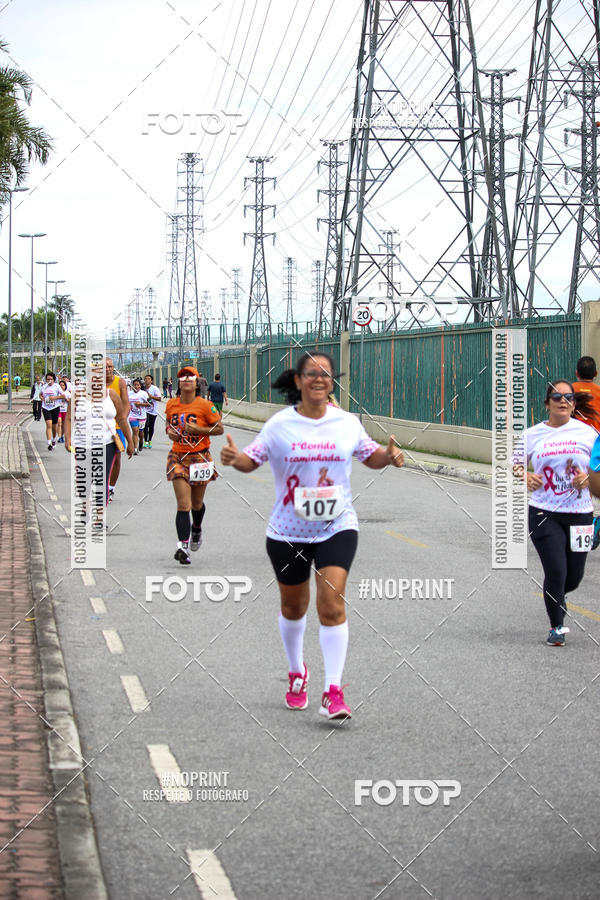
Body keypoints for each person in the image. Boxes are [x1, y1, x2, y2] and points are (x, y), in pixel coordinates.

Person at [220, 352, 404, 720]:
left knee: (332, 604)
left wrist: (389, 454)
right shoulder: (278, 425)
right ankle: (296, 672)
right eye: (311, 374)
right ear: (299, 381)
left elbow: (370, 456)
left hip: (336, 525)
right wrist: (233, 458)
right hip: (287, 530)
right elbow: (251, 460)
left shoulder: (347, 423)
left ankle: (332, 691)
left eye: (326, 374)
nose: (319, 379)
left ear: (332, 381)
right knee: (294, 607)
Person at [512, 380, 597, 646]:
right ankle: (556, 627)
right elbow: (515, 465)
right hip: (544, 512)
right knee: (557, 571)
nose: (563, 401)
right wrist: (525, 475)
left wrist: (588, 479)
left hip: (580, 513)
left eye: (568, 398)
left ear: (573, 404)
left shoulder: (589, 434)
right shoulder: (531, 435)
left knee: (574, 577)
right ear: (547, 403)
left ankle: (558, 596)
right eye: (557, 397)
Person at [165, 366, 223, 565]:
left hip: (199, 457)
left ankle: (196, 528)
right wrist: (170, 432)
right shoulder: (171, 404)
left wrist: (198, 429)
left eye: (191, 377)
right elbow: (169, 425)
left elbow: (219, 429)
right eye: (182, 377)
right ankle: (182, 546)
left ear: (197, 382)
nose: (186, 379)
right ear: (179, 383)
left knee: (196, 505)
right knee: (183, 504)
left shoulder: (206, 406)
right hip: (178, 457)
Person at [64, 371, 134, 504]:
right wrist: (67, 439)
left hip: (107, 443)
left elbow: (121, 418)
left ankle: (99, 519)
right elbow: (68, 418)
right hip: (83, 444)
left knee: (102, 479)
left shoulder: (111, 395)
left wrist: (130, 442)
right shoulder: (78, 395)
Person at [106, 358, 131, 500]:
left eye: (110, 366)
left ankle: (110, 487)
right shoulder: (95, 384)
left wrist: (121, 419)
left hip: (116, 427)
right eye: (105, 367)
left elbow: (126, 404)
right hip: (100, 428)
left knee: (116, 458)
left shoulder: (120, 382)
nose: (108, 369)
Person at [573, 355, 600, 431]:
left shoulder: (569, 390)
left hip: (574, 436)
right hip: (595, 438)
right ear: (596, 374)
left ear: (577, 373)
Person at [127, 378, 149, 455]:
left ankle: (141, 441)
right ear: (132, 386)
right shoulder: (129, 394)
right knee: (135, 431)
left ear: (140, 386)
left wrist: (140, 404)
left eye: (138, 385)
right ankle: (135, 449)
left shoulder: (144, 394)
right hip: (132, 416)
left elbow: (149, 404)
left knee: (141, 433)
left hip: (142, 416)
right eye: (135, 385)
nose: (136, 386)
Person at [40, 372, 61, 450]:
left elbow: (63, 395)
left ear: (54, 380)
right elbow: (40, 394)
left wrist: (55, 398)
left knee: (54, 426)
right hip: (46, 407)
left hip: (55, 407)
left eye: (51, 379)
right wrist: (41, 398)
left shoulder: (57, 387)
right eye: (48, 379)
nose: (49, 381)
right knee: (48, 424)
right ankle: (49, 442)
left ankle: (54, 439)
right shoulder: (44, 387)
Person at [143, 374, 162, 448]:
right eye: (146, 379)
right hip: (145, 410)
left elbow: (159, 398)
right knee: (146, 425)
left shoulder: (154, 388)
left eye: (148, 379)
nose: (147, 380)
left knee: (151, 426)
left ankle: (150, 440)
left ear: (151, 380)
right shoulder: (142, 388)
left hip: (153, 410)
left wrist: (151, 396)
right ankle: (145, 441)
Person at [56, 379, 71, 443]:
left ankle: (62, 436)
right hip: (58, 410)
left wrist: (65, 398)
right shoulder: (56, 393)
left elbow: (70, 402)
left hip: (65, 410)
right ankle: (59, 436)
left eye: (63, 385)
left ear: (65, 386)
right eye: (60, 385)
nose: (62, 386)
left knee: (63, 425)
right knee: (59, 423)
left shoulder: (67, 393)